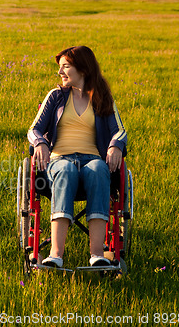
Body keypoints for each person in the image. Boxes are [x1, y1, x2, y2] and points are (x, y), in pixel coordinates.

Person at [27, 46, 127, 268]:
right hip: (60, 160)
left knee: (100, 169)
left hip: (92, 160)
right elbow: (33, 130)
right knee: (66, 169)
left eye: (65, 67)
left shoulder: (102, 98)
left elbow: (119, 130)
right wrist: (41, 142)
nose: (60, 72)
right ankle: (55, 255)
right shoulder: (56, 96)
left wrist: (115, 146)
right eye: (60, 67)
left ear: (82, 68)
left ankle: (97, 255)